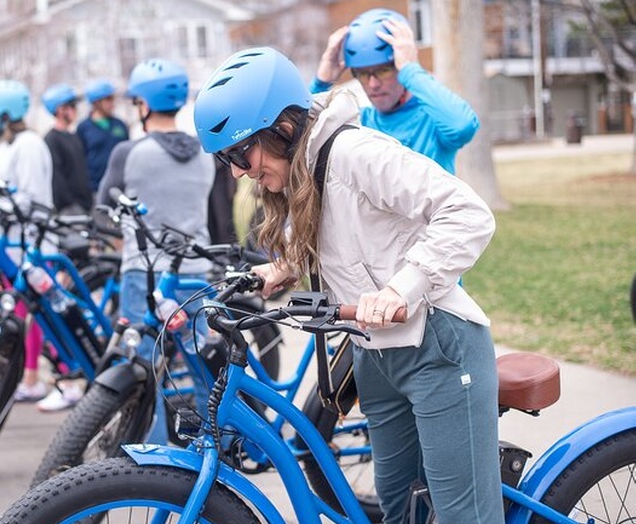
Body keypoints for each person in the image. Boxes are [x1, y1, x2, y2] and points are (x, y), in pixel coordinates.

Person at [194, 47, 503, 523]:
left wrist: (401, 288)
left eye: (240, 152)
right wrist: (282, 269)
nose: (237, 171)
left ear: (283, 127)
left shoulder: (358, 154)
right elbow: (343, 234)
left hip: (437, 349)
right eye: (226, 160)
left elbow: (467, 213)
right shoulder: (307, 170)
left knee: (464, 516)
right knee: (399, 513)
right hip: (372, 353)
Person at [97, 58, 215, 444]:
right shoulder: (206, 153)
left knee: (147, 369)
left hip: (145, 275)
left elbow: (103, 213)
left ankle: (153, 453)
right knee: (200, 366)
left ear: (143, 105)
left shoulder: (128, 152)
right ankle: (214, 442)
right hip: (196, 272)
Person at [310, 8, 478, 174]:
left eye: (383, 71)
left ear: (400, 65)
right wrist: (322, 82)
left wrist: (410, 69)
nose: (373, 84)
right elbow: (306, 134)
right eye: (362, 74)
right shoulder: (359, 122)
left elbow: (461, 125)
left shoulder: (431, 119)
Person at [0, 80, 54, 404]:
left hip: (33, 244)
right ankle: (21, 371)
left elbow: (32, 199)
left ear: (5, 115)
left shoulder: (29, 145)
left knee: (35, 313)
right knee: (17, 309)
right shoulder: (7, 145)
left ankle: (34, 377)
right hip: (8, 242)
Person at [41, 83, 93, 215]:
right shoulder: (52, 140)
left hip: (85, 206)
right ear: (60, 110)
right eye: (72, 106)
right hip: (70, 210)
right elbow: (57, 180)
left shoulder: (73, 136)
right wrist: (71, 205)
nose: (76, 110)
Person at [77, 79, 129, 193]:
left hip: (121, 188)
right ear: (96, 102)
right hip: (95, 190)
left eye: (113, 99)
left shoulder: (120, 125)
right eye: (108, 99)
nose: (112, 103)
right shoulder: (83, 128)